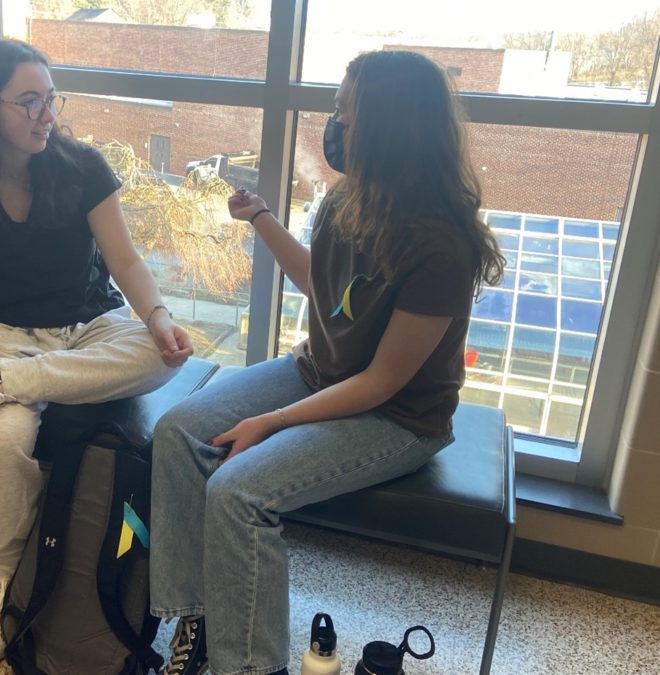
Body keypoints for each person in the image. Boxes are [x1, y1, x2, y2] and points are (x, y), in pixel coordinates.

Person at [149, 50, 504, 675]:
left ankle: (253, 667)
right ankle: (196, 616)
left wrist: (274, 422)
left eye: (345, 111)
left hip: (398, 417)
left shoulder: (441, 247)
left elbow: (382, 382)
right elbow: (324, 284)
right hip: (319, 373)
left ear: (390, 127)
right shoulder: (349, 200)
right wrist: (261, 218)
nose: (332, 123)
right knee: (177, 431)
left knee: (237, 492)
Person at [0, 38, 193, 664]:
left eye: (50, 98)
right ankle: (10, 581)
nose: (47, 114)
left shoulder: (81, 167)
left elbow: (124, 260)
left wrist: (159, 318)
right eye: (29, 102)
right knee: (6, 442)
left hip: (88, 328)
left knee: (156, 356)